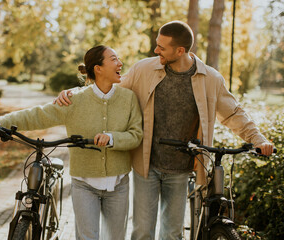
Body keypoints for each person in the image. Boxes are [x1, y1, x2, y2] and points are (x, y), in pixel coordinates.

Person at [53, 21, 275, 240]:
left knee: (172, 234)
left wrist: (258, 139)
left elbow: (233, 113)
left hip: (181, 168)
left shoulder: (210, 79)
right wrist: (74, 94)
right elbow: (110, 91)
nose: (155, 50)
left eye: (162, 47)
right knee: (142, 232)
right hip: (146, 165)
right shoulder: (144, 69)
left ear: (180, 51)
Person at [0, 45, 143, 240]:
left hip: (118, 183)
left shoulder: (128, 98)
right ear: (98, 68)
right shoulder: (74, 99)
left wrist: (113, 138)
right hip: (84, 184)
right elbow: (37, 115)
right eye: (114, 59)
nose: (120, 63)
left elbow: (136, 134)